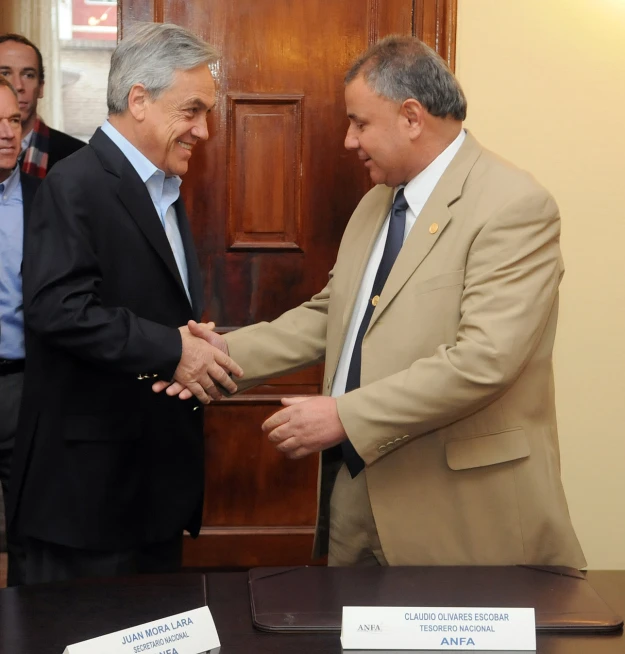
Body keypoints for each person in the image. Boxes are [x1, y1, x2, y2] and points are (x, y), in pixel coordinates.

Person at [159, 36, 586, 568]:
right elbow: (331, 317)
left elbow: (485, 360)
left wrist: (345, 416)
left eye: (359, 123)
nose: (347, 141)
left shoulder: (513, 205)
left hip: (459, 508)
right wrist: (209, 356)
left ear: (411, 117)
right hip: (358, 493)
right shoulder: (376, 203)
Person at [8, 22, 242, 586]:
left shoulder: (162, 187)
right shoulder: (77, 183)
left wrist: (191, 338)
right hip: (88, 500)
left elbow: (144, 301)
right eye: (191, 111)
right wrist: (172, 349)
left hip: (148, 490)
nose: (204, 131)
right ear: (139, 99)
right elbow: (55, 308)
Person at [0, 77, 41, 586]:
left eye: (15, 120)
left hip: (24, 386)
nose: (8, 133)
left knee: (31, 539)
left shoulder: (44, 199)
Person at [0, 33, 84, 177]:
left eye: (28, 75)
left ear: (41, 87)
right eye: (5, 74)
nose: (18, 86)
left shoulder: (78, 157)